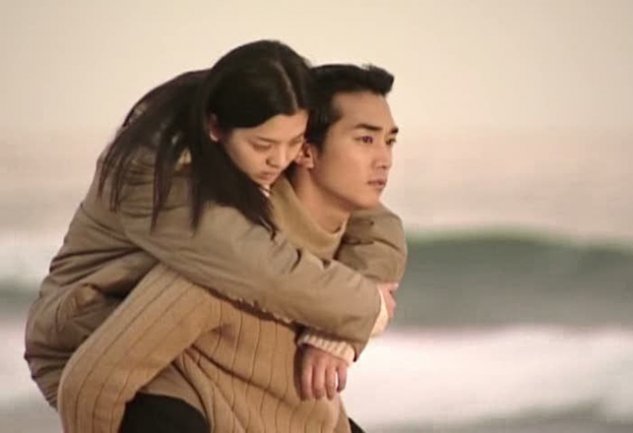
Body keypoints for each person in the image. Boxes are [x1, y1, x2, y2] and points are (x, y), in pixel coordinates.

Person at [23, 41, 405, 430]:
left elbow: (377, 222)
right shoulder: (164, 181)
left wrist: (340, 330)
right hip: (86, 327)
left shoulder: (266, 142)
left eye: (293, 143)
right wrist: (362, 310)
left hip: (177, 343)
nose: (280, 159)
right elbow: (260, 267)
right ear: (215, 128)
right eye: (263, 145)